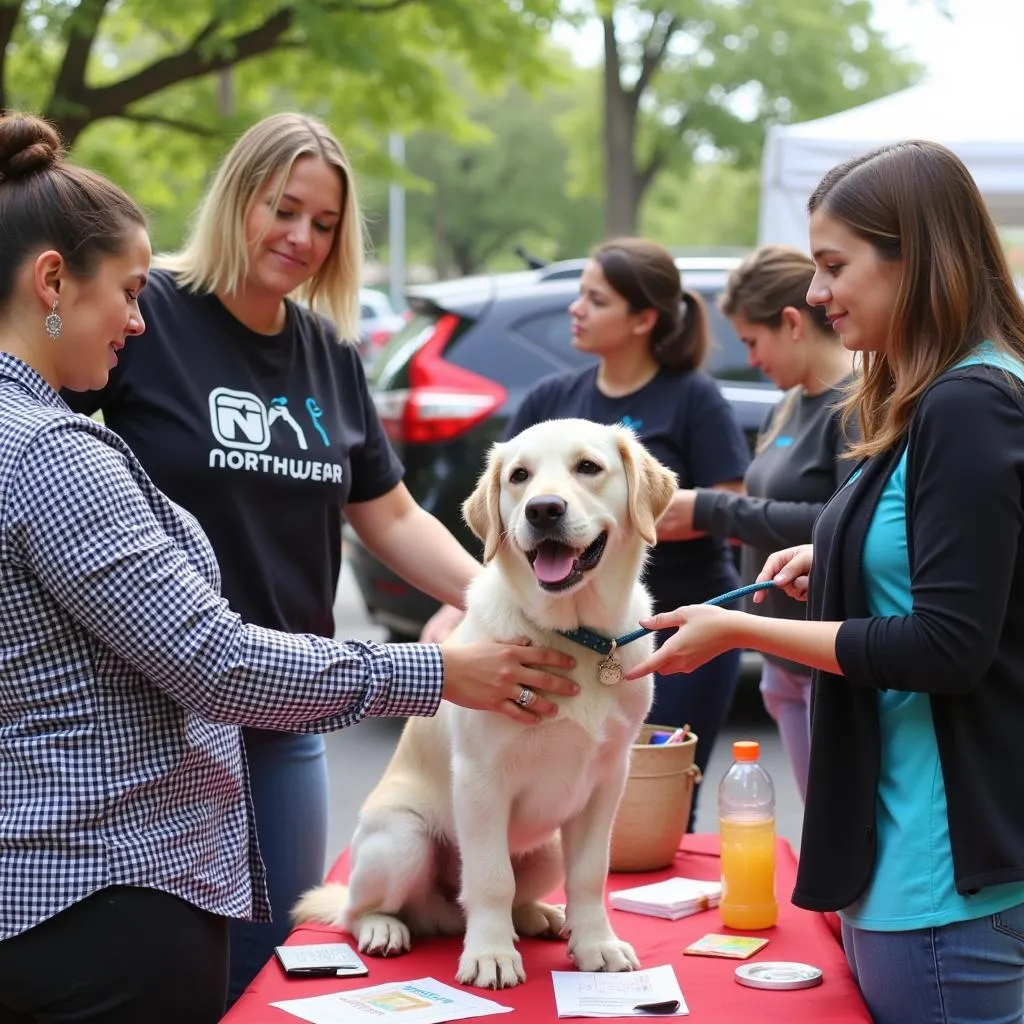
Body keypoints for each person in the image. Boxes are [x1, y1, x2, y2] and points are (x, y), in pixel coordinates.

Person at [0, 110, 579, 1024]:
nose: (303, 238)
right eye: (284, 209)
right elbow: (50, 435)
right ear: (238, 201)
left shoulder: (327, 354)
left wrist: (503, 610)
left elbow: (388, 513)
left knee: (273, 968)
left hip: (297, 699)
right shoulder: (137, 336)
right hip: (173, 709)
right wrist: (437, 671)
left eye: (325, 223)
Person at [626, 140, 1024, 1024]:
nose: (814, 293)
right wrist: (834, 556)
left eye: (835, 265)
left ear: (914, 261)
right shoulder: (945, 394)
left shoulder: (968, 402)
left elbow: (949, 646)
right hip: (939, 871)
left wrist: (741, 630)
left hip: (940, 878)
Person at [429, 238, 752, 819]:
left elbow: (731, 504)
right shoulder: (557, 395)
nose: (576, 309)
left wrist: (632, 519)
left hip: (679, 625)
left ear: (643, 319)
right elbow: (516, 502)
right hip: (565, 632)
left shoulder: (693, 396)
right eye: (579, 295)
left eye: (595, 299)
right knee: (567, 796)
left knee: (660, 799)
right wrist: (457, 611)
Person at [661, 245, 857, 799]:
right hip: (780, 657)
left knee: (839, 821)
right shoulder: (785, 406)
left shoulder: (857, 405)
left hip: (826, 651)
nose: (750, 360)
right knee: (819, 817)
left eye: (752, 341)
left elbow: (844, 520)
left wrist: (711, 510)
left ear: (792, 323)